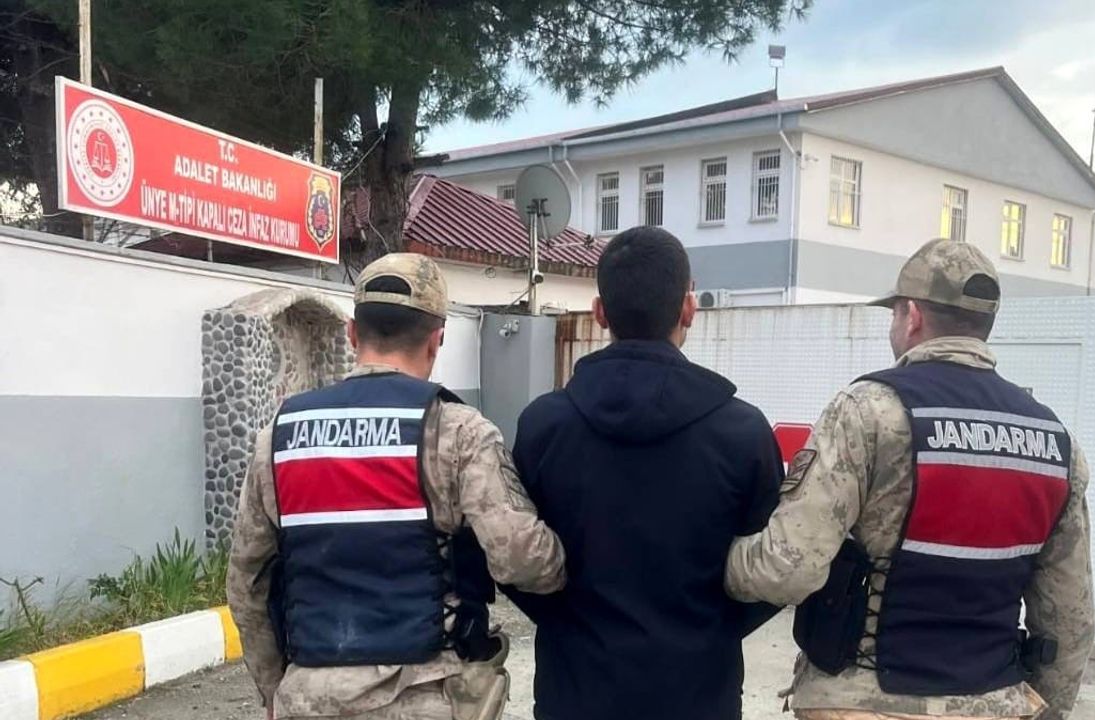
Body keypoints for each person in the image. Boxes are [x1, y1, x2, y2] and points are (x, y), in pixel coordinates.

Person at [726, 238, 1095, 720]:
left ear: (912, 316)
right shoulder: (1056, 443)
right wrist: (1047, 708)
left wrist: (715, 561)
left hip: (863, 702)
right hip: (994, 703)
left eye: (894, 313)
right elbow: (1070, 619)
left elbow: (789, 567)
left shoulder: (867, 411)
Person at [227, 253, 566, 720]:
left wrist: (275, 690)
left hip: (307, 699)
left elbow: (246, 583)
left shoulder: (278, 437)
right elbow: (519, 559)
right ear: (437, 339)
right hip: (428, 697)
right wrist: (569, 563)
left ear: (352, 333)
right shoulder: (459, 432)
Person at [506, 226, 784, 720]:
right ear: (689, 308)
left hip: (575, 693)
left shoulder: (543, 425)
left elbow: (513, 556)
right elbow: (772, 566)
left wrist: (569, 624)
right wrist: (708, 629)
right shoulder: (742, 432)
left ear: (599, 312)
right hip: (699, 695)